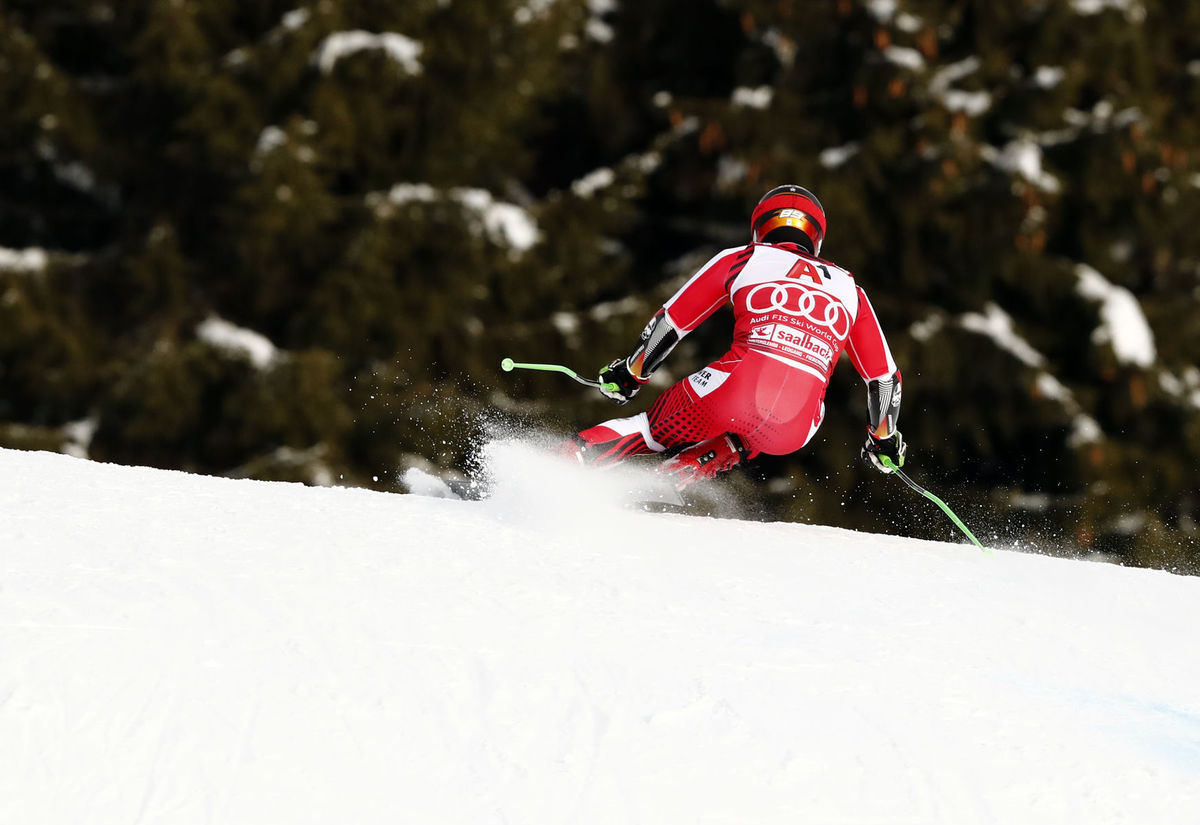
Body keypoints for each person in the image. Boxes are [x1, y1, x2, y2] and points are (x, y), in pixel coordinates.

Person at [566, 184, 906, 491]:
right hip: (797, 426)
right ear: (816, 238)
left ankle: (569, 460)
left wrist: (630, 374)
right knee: (756, 428)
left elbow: (671, 323)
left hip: (734, 390)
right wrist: (883, 439)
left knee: (651, 430)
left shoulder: (744, 258)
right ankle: (683, 470)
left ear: (760, 228)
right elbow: (885, 380)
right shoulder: (850, 289)